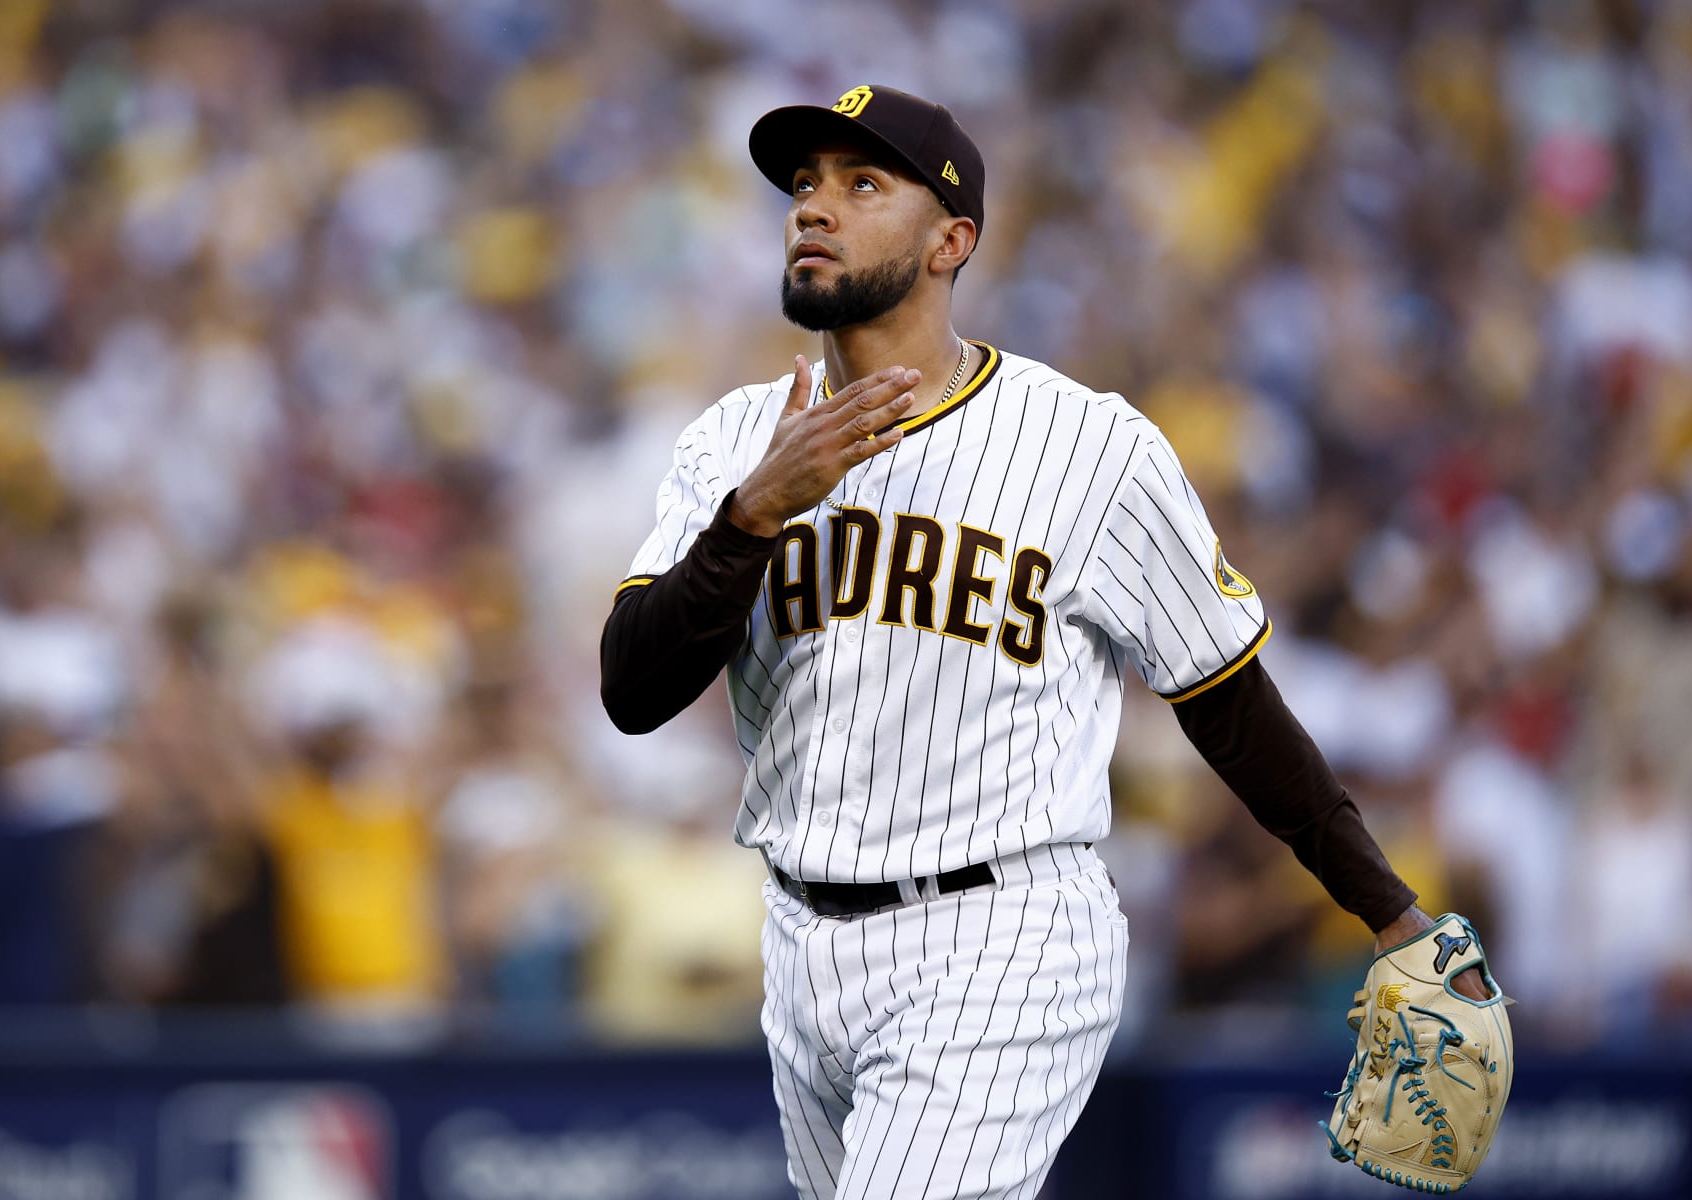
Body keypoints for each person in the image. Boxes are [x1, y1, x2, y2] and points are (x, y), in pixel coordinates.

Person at [600, 83, 1487, 1200]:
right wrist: (752, 518)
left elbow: (1222, 693)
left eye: (861, 185)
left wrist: (1389, 909)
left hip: (1002, 933)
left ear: (950, 241)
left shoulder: (1087, 446)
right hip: (799, 938)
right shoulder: (733, 442)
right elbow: (632, 686)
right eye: (804, 186)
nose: (812, 210)